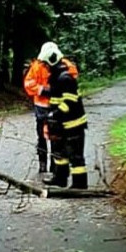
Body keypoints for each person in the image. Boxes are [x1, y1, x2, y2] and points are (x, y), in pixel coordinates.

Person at [36, 43, 88, 189]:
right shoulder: (56, 77)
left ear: (51, 61)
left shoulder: (65, 78)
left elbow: (69, 102)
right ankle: (60, 178)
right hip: (61, 123)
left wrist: (55, 114)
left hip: (73, 123)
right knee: (59, 153)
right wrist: (45, 92)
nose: (45, 67)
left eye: (46, 64)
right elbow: (56, 94)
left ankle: (79, 184)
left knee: (75, 156)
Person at [23, 42, 78, 173]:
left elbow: (73, 77)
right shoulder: (37, 66)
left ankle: (55, 164)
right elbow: (29, 83)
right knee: (41, 135)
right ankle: (42, 164)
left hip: (57, 105)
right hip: (41, 106)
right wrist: (43, 90)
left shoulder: (66, 65)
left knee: (56, 136)